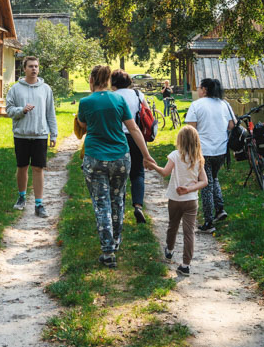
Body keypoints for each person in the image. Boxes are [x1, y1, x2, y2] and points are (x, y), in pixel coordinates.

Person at [76, 64, 153, 267]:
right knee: (117, 199)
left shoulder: (85, 102)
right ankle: (116, 241)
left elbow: (83, 125)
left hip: (95, 158)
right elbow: (134, 128)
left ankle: (108, 251)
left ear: (92, 80)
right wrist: (146, 155)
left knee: (101, 203)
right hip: (120, 156)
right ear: (109, 80)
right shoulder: (119, 99)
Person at [144, 126, 209, 276]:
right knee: (189, 233)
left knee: (172, 226)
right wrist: (189, 190)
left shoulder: (175, 155)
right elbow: (204, 181)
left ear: (180, 140)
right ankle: (186, 265)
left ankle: (170, 250)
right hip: (191, 201)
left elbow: (165, 173)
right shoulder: (198, 158)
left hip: (175, 199)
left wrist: (152, 165)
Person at [5, 55, 58, 217]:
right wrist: (22, 110)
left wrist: (53, 134)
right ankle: (21, 198)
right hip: (21, 135)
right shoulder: (15, 89)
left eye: (36, 66)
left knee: (38, 168)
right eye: (30, 66)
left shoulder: (46, 89)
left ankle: (39, 204)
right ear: (24, 69)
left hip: (40, 135)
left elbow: (51, 113)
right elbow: (8, 110)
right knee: (22, 167)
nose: (34, 69)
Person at [183, 77, 235, 233]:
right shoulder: (224, 104)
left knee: (205, 184)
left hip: (203, 151)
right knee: (213, 178)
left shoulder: (196, 105)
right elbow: (232, 125)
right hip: (221, 150)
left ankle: (208, 222)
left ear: (204, 89)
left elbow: (190, 129)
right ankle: (220, 209)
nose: (198, 90)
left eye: (199, 88)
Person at [110, 69, 148, 224]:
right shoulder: (138, 95)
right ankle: (138, 205)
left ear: (113, 82)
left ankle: (120, 208)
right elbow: (147, 113)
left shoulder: (113, 97)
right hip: (137, 136)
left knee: (119, 173)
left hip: (118, 137)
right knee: (138, 172)